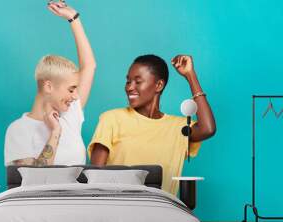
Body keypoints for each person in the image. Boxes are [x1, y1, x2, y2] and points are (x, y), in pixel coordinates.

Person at [88, 54, 216, 195]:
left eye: (138, 81)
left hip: (162, 212)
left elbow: (207, 129)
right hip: (118, 211)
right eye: (128, 81)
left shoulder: (178, 128)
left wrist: (190, 75)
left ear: (159, 85)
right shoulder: (111, 119)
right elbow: (95, 179)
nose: (129, 87)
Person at [4, 1, 96, 166]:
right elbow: (37, 179)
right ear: (48, 86)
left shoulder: (70, 115)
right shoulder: (18, 130)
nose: (75, 96)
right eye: (71, 89)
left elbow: (89, 66)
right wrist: (55, 132)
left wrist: (74, 18)